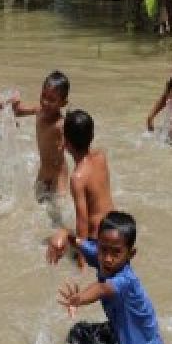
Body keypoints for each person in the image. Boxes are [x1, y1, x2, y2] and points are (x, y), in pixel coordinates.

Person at [55, 211, 163, 344]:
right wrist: (62, 236)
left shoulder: (126, 280)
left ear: (130, 254)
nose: (107, 259)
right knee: (78, 333)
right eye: (103, 249)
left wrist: (80, 298)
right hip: (123, 330)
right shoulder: (101, 255)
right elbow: (76, 241)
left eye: (116, 253)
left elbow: (102, 289)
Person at [47, 109, 114, 264]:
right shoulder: (101, 156)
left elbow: (82, 221)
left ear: (66, 143)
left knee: (58, 237)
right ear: (92, 136)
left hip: (97, 240)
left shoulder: (78, 178)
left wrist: (82, 260)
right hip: (114, 229)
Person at [12, 71, 70, 201]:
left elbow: (77, 144)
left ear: (63, 103)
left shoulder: (61, 124)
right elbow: (18, 111)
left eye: (52, 99)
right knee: (35, 203)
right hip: (43, 171)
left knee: (59, 208)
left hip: (58, 173)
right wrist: (15, 102)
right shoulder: (39, 111)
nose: (45, 102)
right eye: (43, 96)